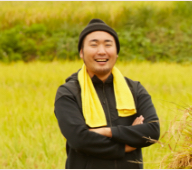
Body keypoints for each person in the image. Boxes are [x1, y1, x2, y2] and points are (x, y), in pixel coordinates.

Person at [53, 18, 160, 169]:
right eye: (94, 44)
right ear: (81, 53)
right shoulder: (68, 93)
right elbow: (80, 139)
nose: (101, 51)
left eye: (108, 44)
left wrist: (106, 131)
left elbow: (152, 131)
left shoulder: (135, 89)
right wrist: (126, 145)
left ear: (116, 53)